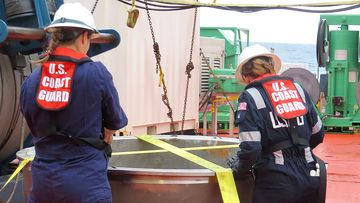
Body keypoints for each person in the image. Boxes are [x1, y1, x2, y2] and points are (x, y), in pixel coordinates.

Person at [20, 2, 128, 203]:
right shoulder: (97, 74)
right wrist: (107, 131)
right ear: (85, 36)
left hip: (43, 185)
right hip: (86, 187)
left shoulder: (32, 80)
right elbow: (115, 120)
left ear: (56, 35)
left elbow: (31, 120)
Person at [228, 44, 325, 203]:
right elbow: (318, 133)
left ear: (246, 76)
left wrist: (238, 170)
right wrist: (297, 152)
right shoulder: (298, 90)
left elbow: (251, 148)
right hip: (310, 178)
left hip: (275, 183)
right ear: (272, 68)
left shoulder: (250, 97)